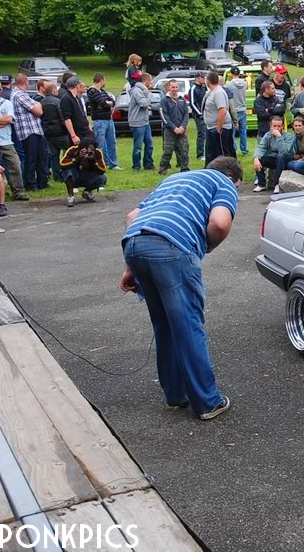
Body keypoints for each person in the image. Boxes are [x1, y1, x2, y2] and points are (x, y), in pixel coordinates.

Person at [120, 156, 242, 421]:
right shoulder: (224, 183)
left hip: (135, 243)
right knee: (188, 325)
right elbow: (220, 223)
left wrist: (131, 267)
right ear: (234, 179)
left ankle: (175, 396)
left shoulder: (174, 178)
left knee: (164, 325)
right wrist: (204, 246)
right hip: (172, 247)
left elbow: (132, 217)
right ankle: (208, 402)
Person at [0, 80, 28, 201]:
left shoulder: (6, 103)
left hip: (6, 141)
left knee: (15, 165)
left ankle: (18, 191)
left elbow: (8, 119)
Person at [10, 73, 48, 191]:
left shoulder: (20, 94)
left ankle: (42, 181)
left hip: (34, 130)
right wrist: (38, 104)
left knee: (40, 156)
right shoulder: (19, 94)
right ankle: (31, 184)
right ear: (26, 82)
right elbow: (38, 111)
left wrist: (36, 104)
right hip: (29, 131)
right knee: (31, 159)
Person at [60, 136, 107, 207]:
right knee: (68, 172)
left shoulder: (97, 152)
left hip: (87, 176)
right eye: (87, 149)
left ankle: (87, 192)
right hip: (74, 176)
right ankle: (71, 196)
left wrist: (93, 161)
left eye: (92, 149)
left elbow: (103, 169)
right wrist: (78, 158)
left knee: (102, 178)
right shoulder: (73, 150)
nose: (89, 151)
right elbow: (62, 164)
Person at [87, 73, 119, 171]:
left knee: (112, 142)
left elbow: (112, 101)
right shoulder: (92, 91)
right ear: (101, 80)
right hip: (99, 120)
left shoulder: (102, 91)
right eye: (104, 80)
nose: (105, 82)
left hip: (109, 119)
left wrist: (107, 104)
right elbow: (102, 103)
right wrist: (106, 104)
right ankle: (100, 163)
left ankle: (113, 164)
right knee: (100, 143)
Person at [252, 116, 293, 192]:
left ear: (282, 126)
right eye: (274, 126)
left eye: (279, 126)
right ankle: (261, 184)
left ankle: (277, 184)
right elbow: (261, 147)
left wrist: (279, 137)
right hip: (273, 158)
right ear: (270, 125)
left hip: (285, 159)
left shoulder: (288, 136)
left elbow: (284, 152)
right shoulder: (268, 135)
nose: (276, 128)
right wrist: (256, 158)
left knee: (280, 156)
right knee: (259, 158)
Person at [203, 72, 235, 166]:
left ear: (208, 80)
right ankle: (210, 172)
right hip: (210, 127)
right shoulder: (212, 92)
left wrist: (218, 127)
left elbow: (223, 111)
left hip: (220, 128)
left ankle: (228, 173)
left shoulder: (218, 92)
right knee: (211, 154)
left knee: (222, 155)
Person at [158, 80, 190, 175]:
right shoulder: (164, 100)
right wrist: (173, 128)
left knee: (184, 149)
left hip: (181, 130)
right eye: (173, 87)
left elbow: (186, 114)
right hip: (169, 130)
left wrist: (182, 127)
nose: (175, 89)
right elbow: (164, 116)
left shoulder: (182, 99)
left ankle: (184, 169)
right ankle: (163, 168)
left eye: (176, 87)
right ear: (169, 87)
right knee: (168, 150)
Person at [127, 73, 154, 171]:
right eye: (150, 81)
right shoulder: (137, 91)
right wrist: (149, 97)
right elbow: (143, 103)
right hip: (137, 122)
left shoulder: (143, 91)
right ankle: (136, 166)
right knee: (138, 146)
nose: (151, 83)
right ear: (146, 80)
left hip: (145, 121)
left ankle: (148, 164)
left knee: (149, 144)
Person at [225, 67, 249, 156]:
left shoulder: (228, 84)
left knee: (233, 131)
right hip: (242, 108)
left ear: (231, 74)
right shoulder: (245, 83)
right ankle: (244, 149)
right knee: (243, 131)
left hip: (233, 109)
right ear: (239, 73)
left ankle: (233, 148)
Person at [189, 72, 208, 161]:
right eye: (202, 77)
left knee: (207, 133)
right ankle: (200, 154)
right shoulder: (193, 88)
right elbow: (192, 103)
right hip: (198, 115)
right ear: (197, 78)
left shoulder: (203, 87)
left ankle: (206, 151)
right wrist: (200, 113)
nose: (204, 79)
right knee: (201, 133)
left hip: (206, 114)